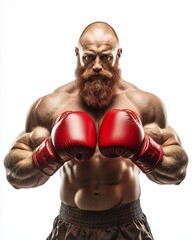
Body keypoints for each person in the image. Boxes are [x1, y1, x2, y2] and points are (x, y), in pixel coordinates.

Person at [4, 21, 189, 240]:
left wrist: (143, 149)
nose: (98, 65)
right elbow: (14, 174)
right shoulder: (51, 106)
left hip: (127, 225)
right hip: (71, 225)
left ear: (118, 55)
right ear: (77, 54)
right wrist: (51, 151)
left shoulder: (143, 104)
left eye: (106, 57)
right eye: (89, 57)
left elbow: (177, 171)